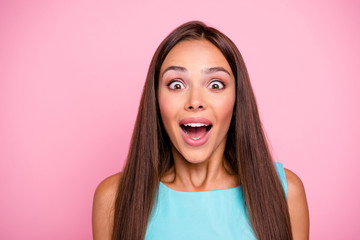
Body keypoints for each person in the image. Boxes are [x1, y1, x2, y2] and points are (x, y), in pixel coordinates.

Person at [92, 21, 309, 240]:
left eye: (215, 85)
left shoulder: (286, 192)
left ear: (237, 101)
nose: (195, 101)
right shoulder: (113, 199)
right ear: (156, 101)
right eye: (176, 85)